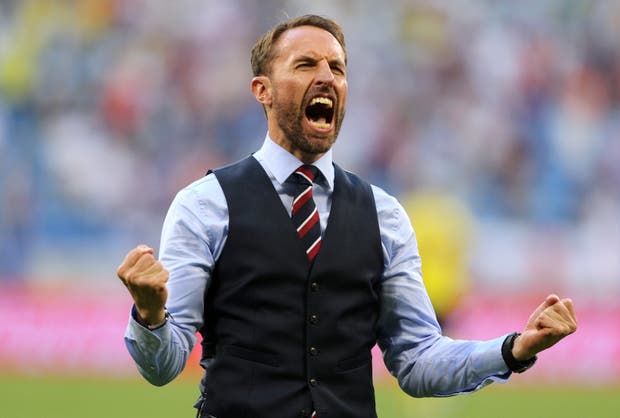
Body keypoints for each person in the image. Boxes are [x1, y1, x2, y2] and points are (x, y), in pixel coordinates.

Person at [117, 14, 577, 418]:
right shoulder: (204, 205)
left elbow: (417, 359)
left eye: (337, 67)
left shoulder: (385, 216)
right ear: (263, 90)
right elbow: (163, 367)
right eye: (305, 65)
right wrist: (151, 313)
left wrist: (514, 350)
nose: (327, 77)